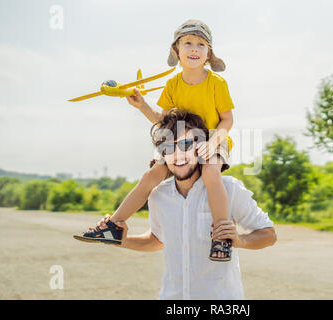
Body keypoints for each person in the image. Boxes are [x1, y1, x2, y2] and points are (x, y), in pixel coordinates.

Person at [76, 19, 236, 261]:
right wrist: (141, 105)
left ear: (208, 53)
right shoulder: (172, 84)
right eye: (188, 43)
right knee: (150, 176)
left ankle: (221, 237)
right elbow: (163, 120)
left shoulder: (217, 83)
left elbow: (227, 121)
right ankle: (114, 226)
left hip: (212, 136)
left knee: (211, 173)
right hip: (179, 135)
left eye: (201, 44)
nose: (194, 48)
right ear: (176, 51)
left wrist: (212, 143)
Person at [96, 109, 277, 299]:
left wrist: (241, 241)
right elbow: (157, 241)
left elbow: (269, 234)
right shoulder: (158, 196)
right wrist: (121, 241)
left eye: (185, 144)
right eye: (168, 148)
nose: (177, 154)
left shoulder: (229, 189)